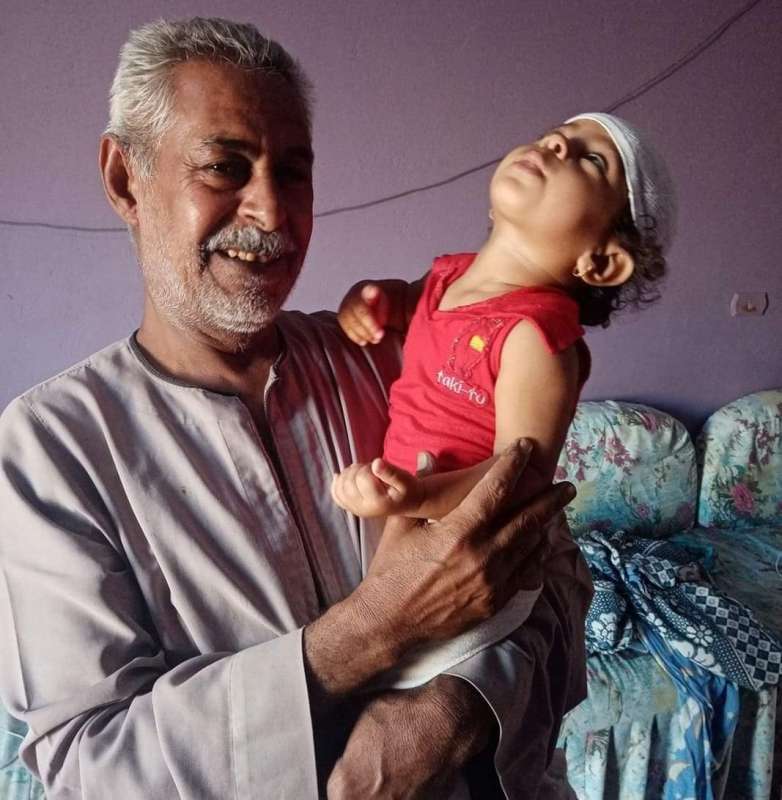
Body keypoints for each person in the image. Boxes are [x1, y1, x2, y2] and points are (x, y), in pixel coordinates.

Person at [0, 17, 591, 800]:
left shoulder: (396, 359)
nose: (273, 213)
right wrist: (374, 628)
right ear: (124, 179)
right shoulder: (52, 447)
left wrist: (455, 709)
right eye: (224, 167)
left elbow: (557, 577)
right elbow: (93, 767)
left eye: (294, 173)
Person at [332, 112, 676, 687]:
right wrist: (366, 303)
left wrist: (418, 493)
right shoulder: (448, 277)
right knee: (362, 673)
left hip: (472, 551)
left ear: (601, 261)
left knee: (413, 702)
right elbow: (410, 303)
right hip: (408, 519)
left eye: (592, 159)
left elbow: (521, 476)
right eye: (554, 136)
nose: (557, 142)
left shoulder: (536, 337)